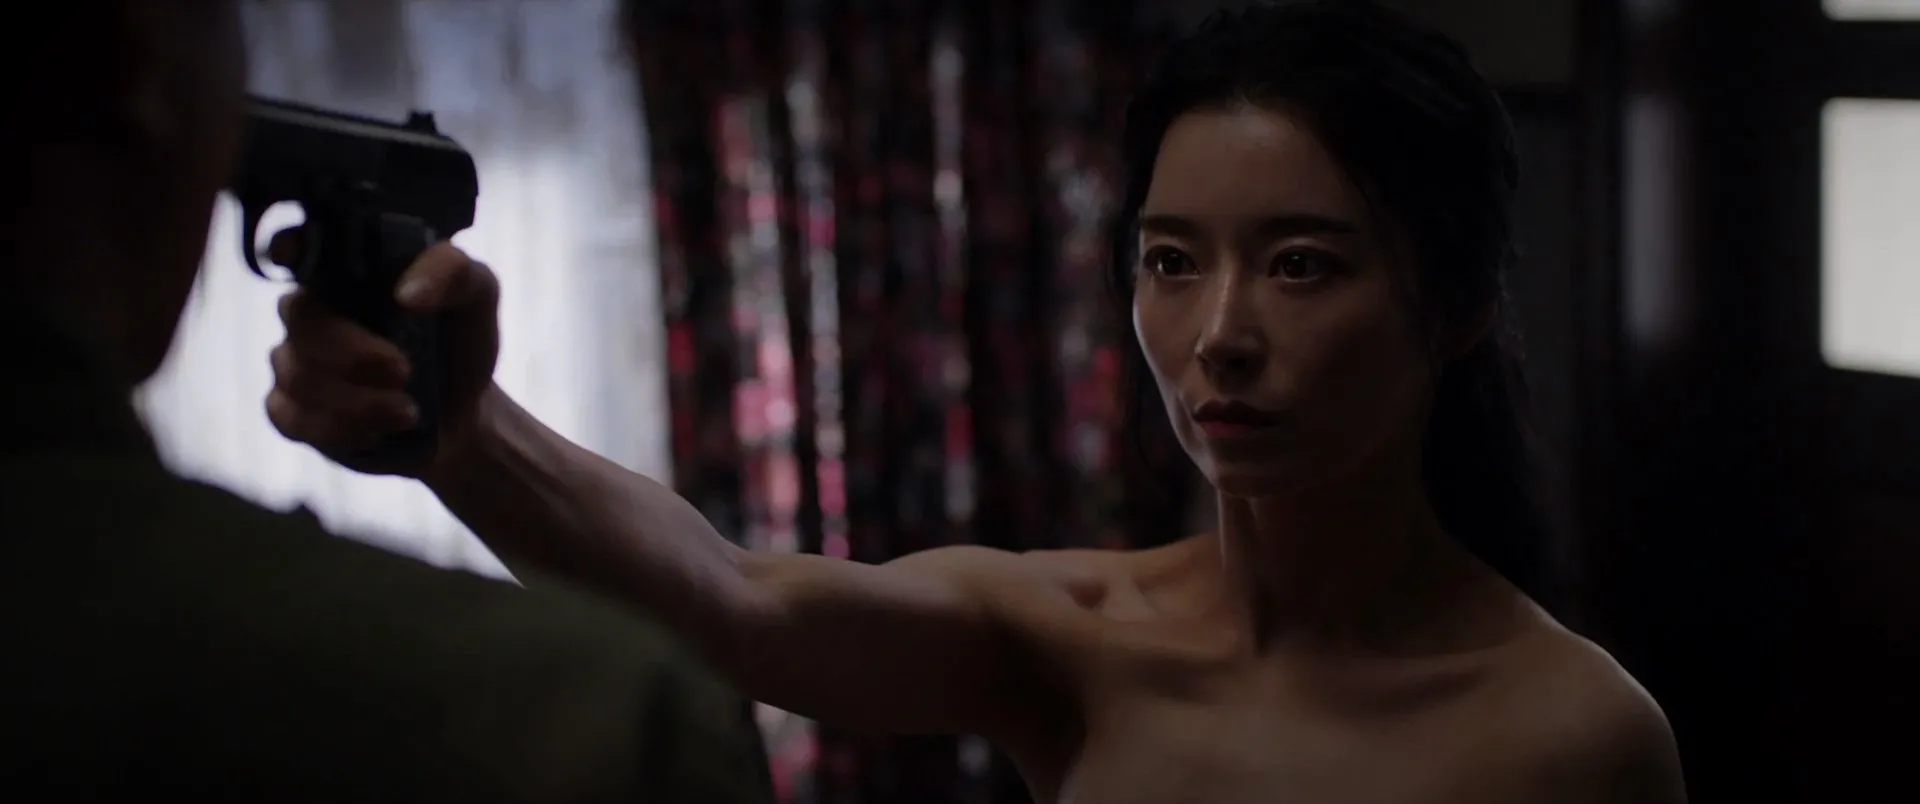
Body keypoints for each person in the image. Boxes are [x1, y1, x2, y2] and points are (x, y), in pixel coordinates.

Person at [265, 1, 1687, 802]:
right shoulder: (1079, 640)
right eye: (1172, 262)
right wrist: (464, 435)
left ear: (1457, 306)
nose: (1221, 336)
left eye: (1302, 265)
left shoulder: (1569, 734)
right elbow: (734, 603)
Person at [0, 3, 771, 801]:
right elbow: (741, 606)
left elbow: (749, 610)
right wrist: (466, 440)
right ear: (140, 64)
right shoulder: (586, 729)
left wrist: (459, 436)